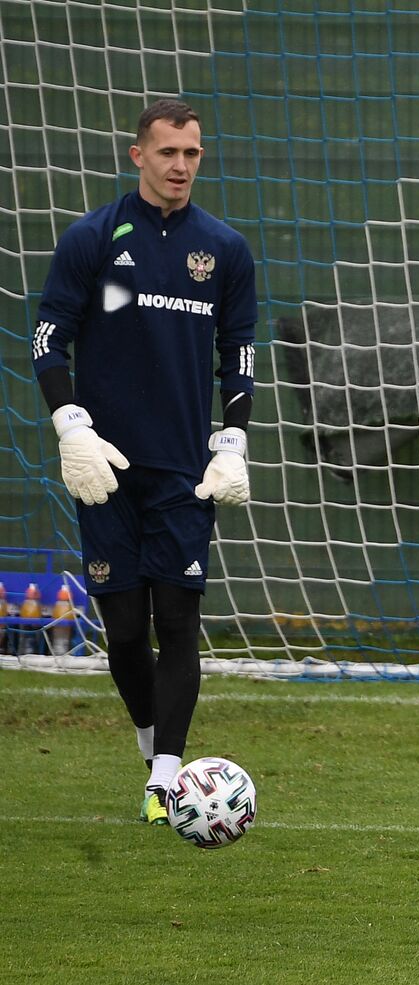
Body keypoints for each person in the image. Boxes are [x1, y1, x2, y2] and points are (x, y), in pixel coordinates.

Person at [30, 99, 257, 826]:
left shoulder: (223, 249)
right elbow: (48, 340)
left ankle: (166, 780)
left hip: (184, 471)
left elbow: (239, 353)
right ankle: (150, 743)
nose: (181, 166)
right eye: (168, 153)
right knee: (125, 629)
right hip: (104, 466)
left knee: (178, 620)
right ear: (138, 155)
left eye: (192, 153)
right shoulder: (95, 240)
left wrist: (233, 439)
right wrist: (71, 427)